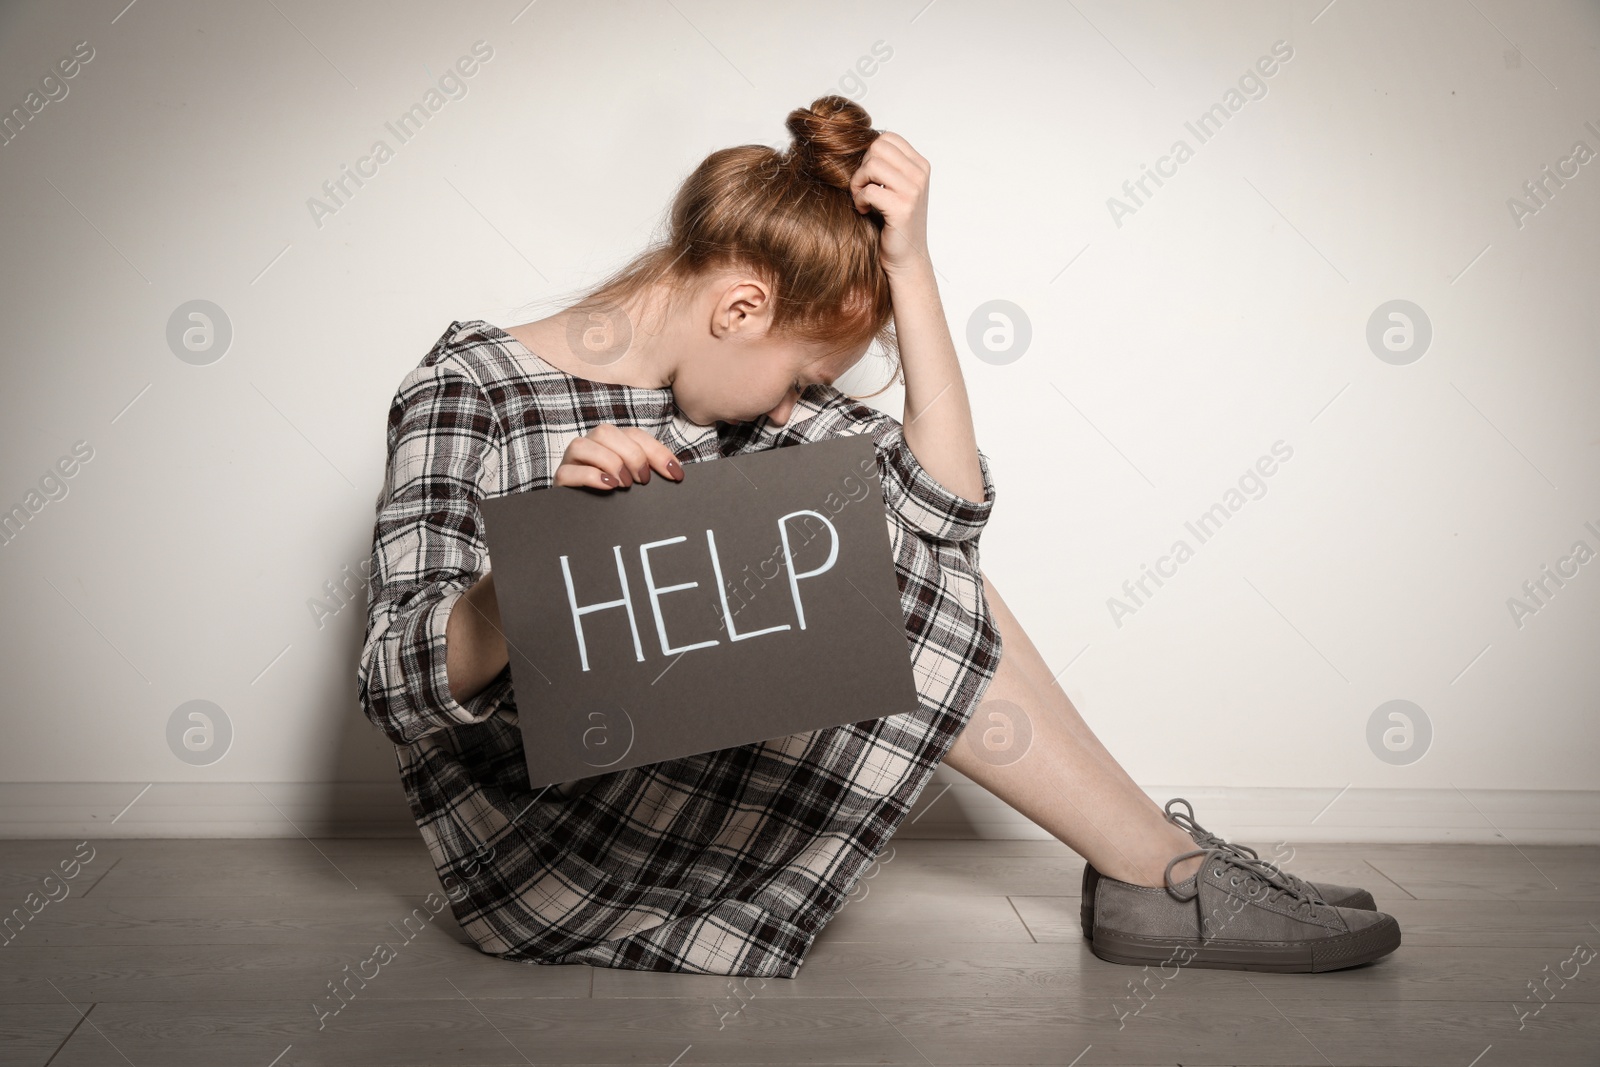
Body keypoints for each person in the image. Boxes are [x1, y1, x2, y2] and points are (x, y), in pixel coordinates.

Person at [358, 95, 1400, 977]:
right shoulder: (469, 389)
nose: (799, 404)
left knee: (883, 539)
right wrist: (539, 567)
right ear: (739, 307)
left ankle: (1153, 866)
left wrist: (914, 265)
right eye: (807, 376)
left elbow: (943, 516)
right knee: (865, 558)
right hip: (550, 850)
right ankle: (1160, 874)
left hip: (688, 784)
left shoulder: (735, 401)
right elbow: (391, 683)